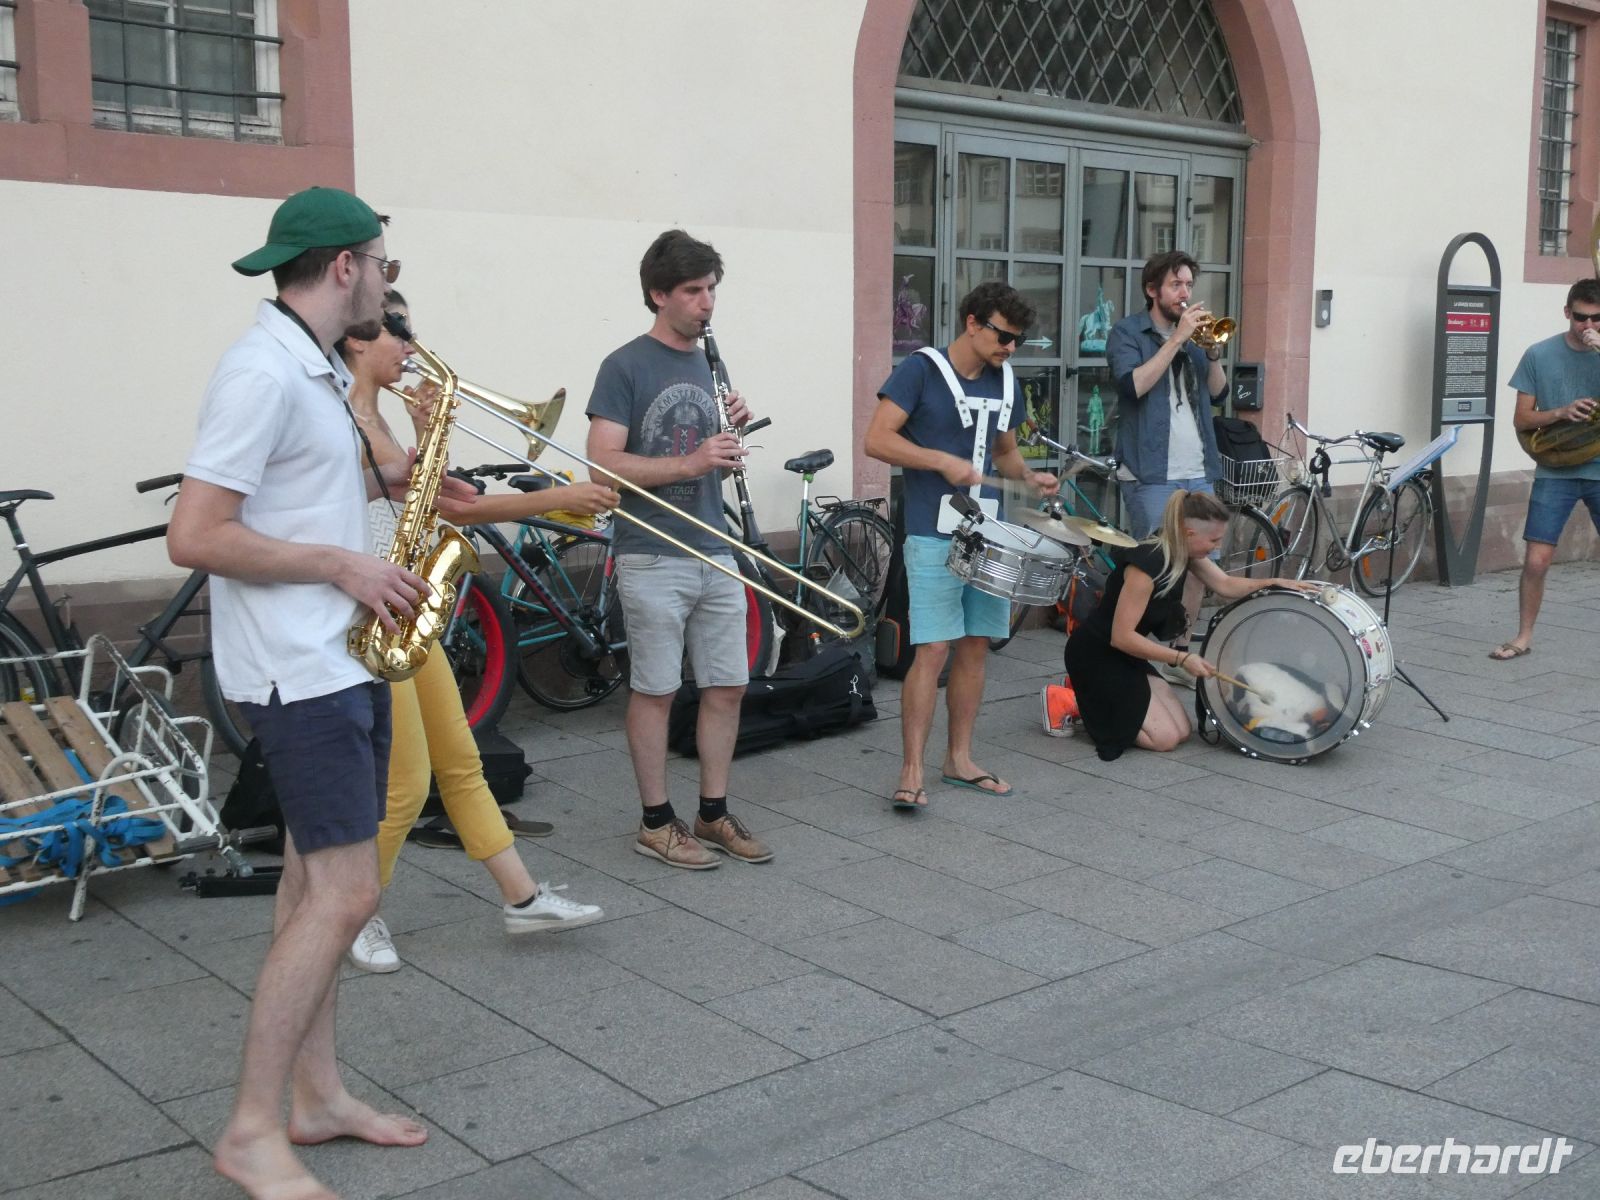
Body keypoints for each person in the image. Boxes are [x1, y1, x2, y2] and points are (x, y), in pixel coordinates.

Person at [167, 187, 475, 1200]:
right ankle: (253, 1128)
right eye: (381, 265)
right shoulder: (262, 372)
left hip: (339, 660)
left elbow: (325, 491)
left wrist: (408, 470)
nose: (388, 284)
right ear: (344, 267)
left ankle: (317, 1098)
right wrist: (341, 568)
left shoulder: (313, 370)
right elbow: (196, 534)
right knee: (348, 891)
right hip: (298, 672)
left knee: (312, 888)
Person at [338, 291, 613, 973]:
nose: (410, 343)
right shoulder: (347, 419)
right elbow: (441, 502)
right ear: (355, 342)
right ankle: (354, 914)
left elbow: (435, 506)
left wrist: (431, 435)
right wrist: (557, 498)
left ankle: (522, 900)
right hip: (369, 616)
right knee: (403, 784)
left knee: (460, 761)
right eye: (397, 330)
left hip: (406, 604)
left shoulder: (379, 416)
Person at [585, 229, 773, 870]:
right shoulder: (625, 365)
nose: (706, 303)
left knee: (727, 686)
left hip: (712, 544)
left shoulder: (710, 363)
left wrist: (731, 426)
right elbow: (601, 467)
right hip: (652, 551)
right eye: (693, 291)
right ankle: (655, 821)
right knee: (658, 690)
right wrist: (692, 459)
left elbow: (707, 448)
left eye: (712, 289)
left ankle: (712, 813)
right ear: (657, 294)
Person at [864, 281, 1059, 810]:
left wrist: (1030, 477)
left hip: (989, 533)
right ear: (973, 322)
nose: (1009, 347)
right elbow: (877, 439)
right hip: (932, 530)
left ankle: (959, 759)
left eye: (1017, 339)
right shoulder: (920, 370)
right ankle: (910, 771)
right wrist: (939, 460)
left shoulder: (1006, 379)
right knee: (932, 648)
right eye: (1002, 335)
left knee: (976, 645)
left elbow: (1006, 452)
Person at [1064, 489, 1312, 761]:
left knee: (1183, 731)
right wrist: (1182, 658)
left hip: (1129, 657)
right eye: (1214, 540)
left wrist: (1274, 584)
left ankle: (1098, 698)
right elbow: (1121, 637)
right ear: (1189, 532)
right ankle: (1074, 701)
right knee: (1164, 739)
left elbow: (1225, 584)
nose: (1217, 547)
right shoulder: (1146, 566)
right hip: (1097, 655)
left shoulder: (1183, 551)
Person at [1106, 250, 1229, 683]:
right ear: (1152, 289)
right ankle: (1139, 651)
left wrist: (1212, 354)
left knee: (1202, 563)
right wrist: (1177, 338)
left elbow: (1217, 394)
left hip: (1198, 466)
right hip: (1151, 471)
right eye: (1176, 285)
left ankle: (1179, 649)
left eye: (1189, 285)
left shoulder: (1196, 339)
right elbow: (1133, 384)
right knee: (1156, 566)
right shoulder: (1127, 332)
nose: (1185, 293)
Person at [1489, 277, 1600, 660]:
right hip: (1557, 470)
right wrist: (1561, 413)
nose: (1589, 327)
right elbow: (1521, 419)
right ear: (1567, 313)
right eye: (1582, 318)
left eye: (1597, 320)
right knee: (1537, 559)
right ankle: (1523, 636)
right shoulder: (1540, 354)